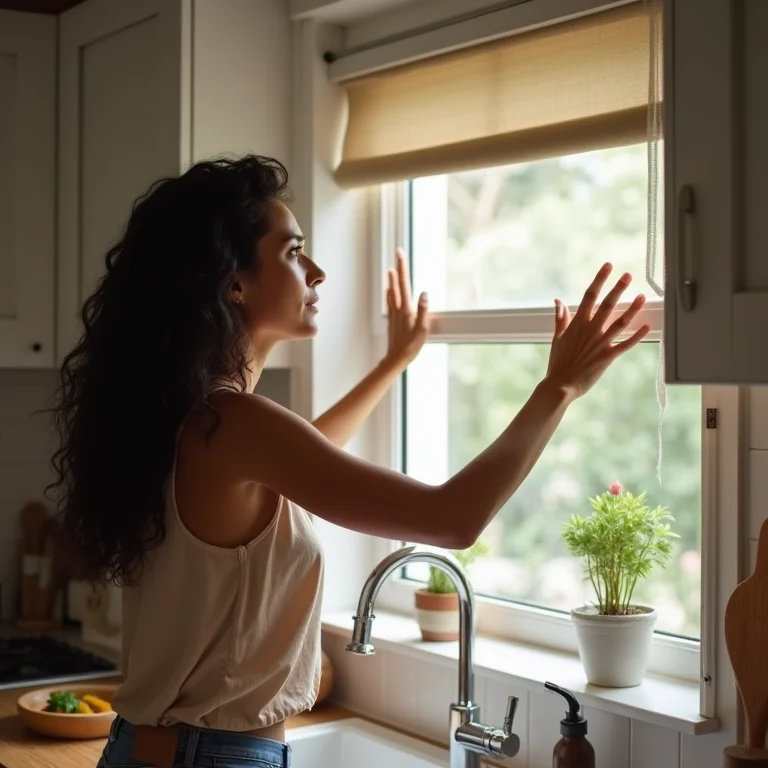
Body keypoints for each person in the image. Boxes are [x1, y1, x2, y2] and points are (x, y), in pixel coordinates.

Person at [48, 155, 649, 768]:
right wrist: (559, 389)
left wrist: (393, 363)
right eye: (292, 253)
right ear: (234, 283)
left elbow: (309, 457)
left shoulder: (194, 420)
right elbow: (452, 519)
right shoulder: (233, 424)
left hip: (154, 750)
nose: (317, 271)